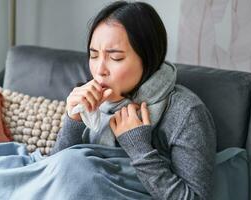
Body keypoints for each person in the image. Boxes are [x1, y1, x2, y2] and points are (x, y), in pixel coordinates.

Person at [49, 1, 216, 199]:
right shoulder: (89, 98)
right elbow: (55, 177)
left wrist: (139, 148)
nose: (100, 69)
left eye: (116, 58)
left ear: (147, 58)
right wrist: (73, 121)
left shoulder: (185, 112)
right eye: (93, 55)